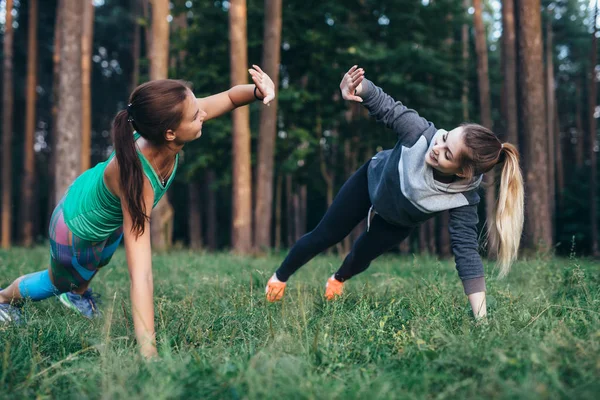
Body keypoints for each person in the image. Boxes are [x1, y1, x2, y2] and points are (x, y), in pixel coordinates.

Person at [0, 65, 275, 358]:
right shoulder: (138, 181)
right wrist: (149, 353)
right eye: (196, 115)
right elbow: (141, 274)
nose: (203, 113)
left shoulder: (170, 124)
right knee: (59, 281)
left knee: (98, 264)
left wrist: (260, 91)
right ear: (170, 133)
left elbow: (231, 98)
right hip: (75, 227)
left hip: (104, 214)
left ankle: (77, 296)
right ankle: (5, 299)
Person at [265, 65, 524, 318]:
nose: (437, 147)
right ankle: (279, 277)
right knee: (324, 235)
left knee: (361, 256)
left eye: (447, 154)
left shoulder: (463, 198)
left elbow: (466, 251)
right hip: (370, 183)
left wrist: (481, 318)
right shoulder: (419, 133)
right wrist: (358, 86)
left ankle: (337, 280)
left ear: (461, 173)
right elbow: (386, 105)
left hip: (399, 221)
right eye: (445, 137)